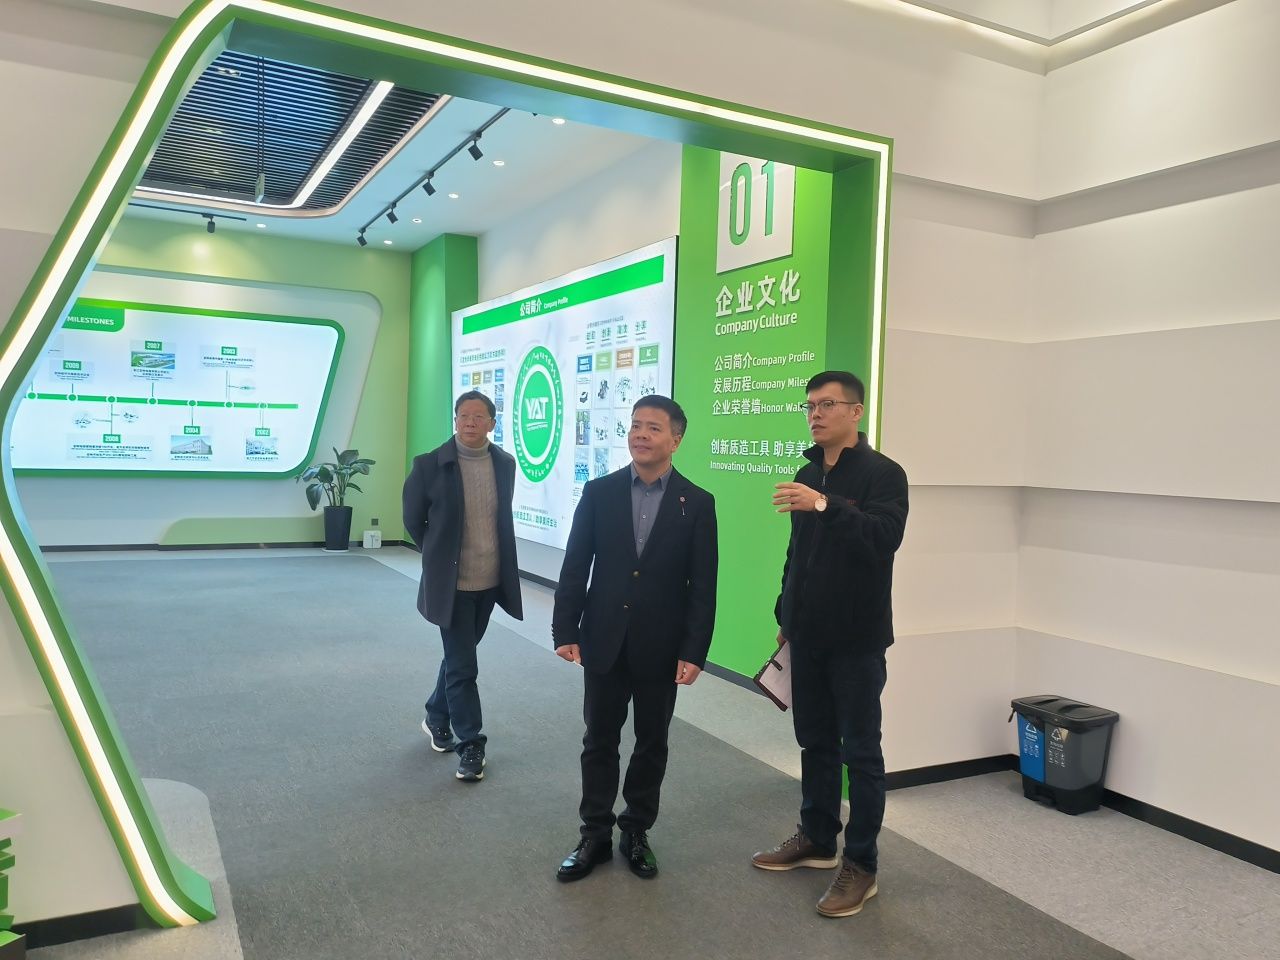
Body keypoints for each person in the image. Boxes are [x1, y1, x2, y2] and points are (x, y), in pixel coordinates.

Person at [751, 370, 908, 918]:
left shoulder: (884, 474)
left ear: (856, 412)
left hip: (857, 640)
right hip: (808, 634)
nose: (815, 414)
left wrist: (824, 504)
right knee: (814, 740)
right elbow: (799, 554)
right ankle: (818, 838)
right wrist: (786, 615)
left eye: (827, 405)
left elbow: (883, 539)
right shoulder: (807, 471)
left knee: (860, 752)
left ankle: (861, 864)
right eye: (810, 406)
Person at [552, 396, 718, 882]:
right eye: (636, 425)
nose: (641, 435)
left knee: (652, 743)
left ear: (676, 440)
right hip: (604, 638)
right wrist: (565, 629)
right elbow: (576, 564)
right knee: (598, 740)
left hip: (661, 646)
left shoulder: (697, 502)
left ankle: (636, 830)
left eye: (653, 428)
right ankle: (594, 834)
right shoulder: (599, 492)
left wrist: (694, 650)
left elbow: (703, 585)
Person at [402, 390, 523, 782]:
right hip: (452, 585)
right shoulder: (429, 465)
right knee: (464, 666)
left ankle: (436, 715)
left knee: (459, 657)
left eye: (478, 416)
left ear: (492, 423)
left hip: (489, 581)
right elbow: (413, 519)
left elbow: (498, 519)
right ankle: (471, 743)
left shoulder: (504, 464)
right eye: (463, 415)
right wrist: (439, 555)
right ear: (455, 420)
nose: (470, 422)